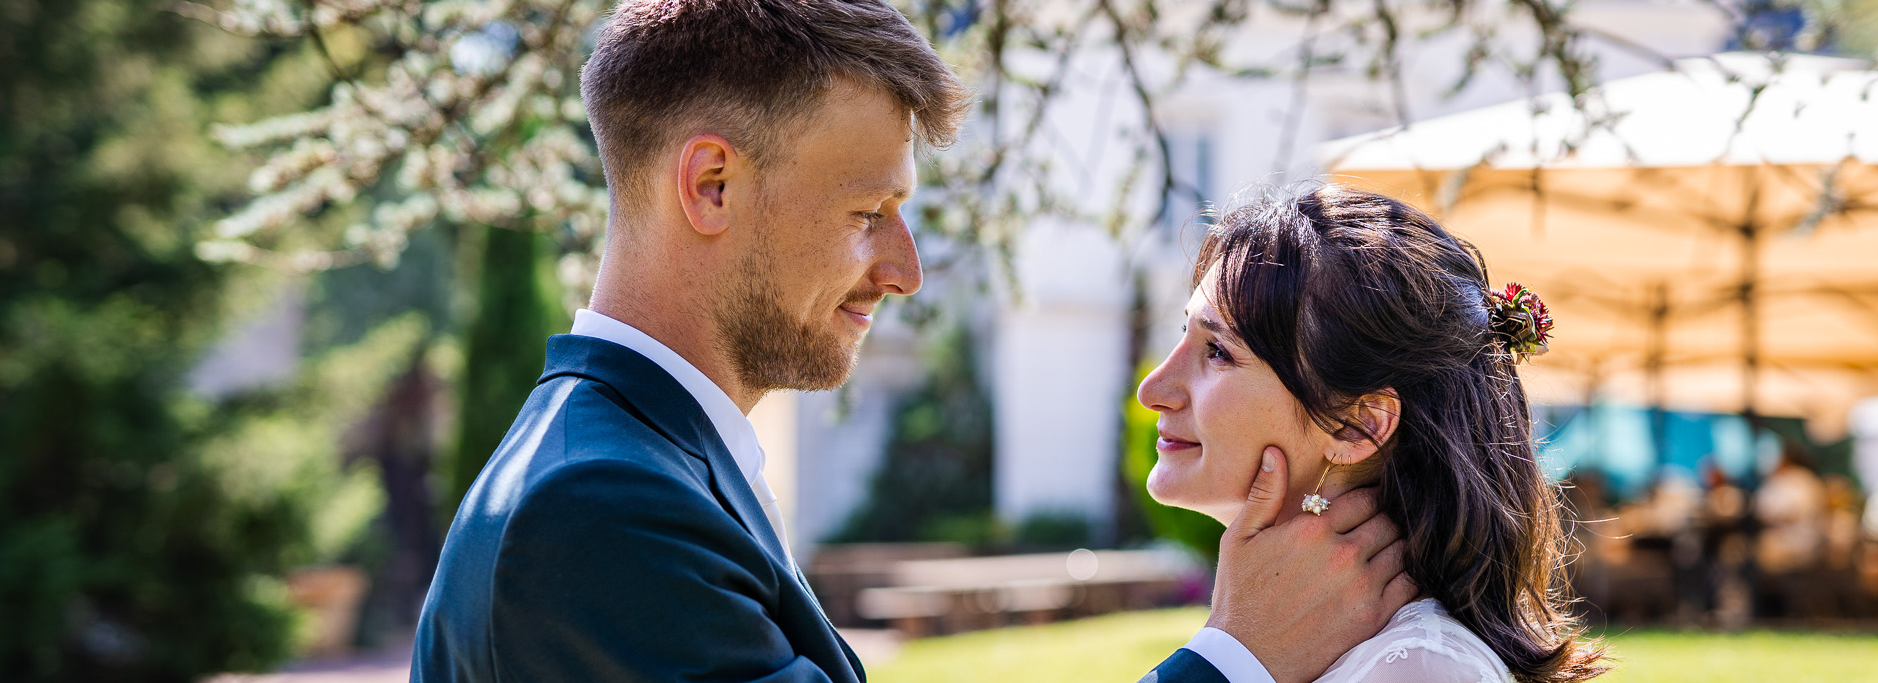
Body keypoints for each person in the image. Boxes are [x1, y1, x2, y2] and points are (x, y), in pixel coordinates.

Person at [410, 3, 1413, 682]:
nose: (904, 268)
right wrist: (1230, 660)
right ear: (710, 184)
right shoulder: (596, 513)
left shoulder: (641, 465)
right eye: (865, 211)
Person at [1136, 183, 1613, 683]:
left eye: (1218, 351)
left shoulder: (1419, 667)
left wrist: (1228, 656)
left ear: (1358, 423)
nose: (1154, 388)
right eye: (1182, 332)